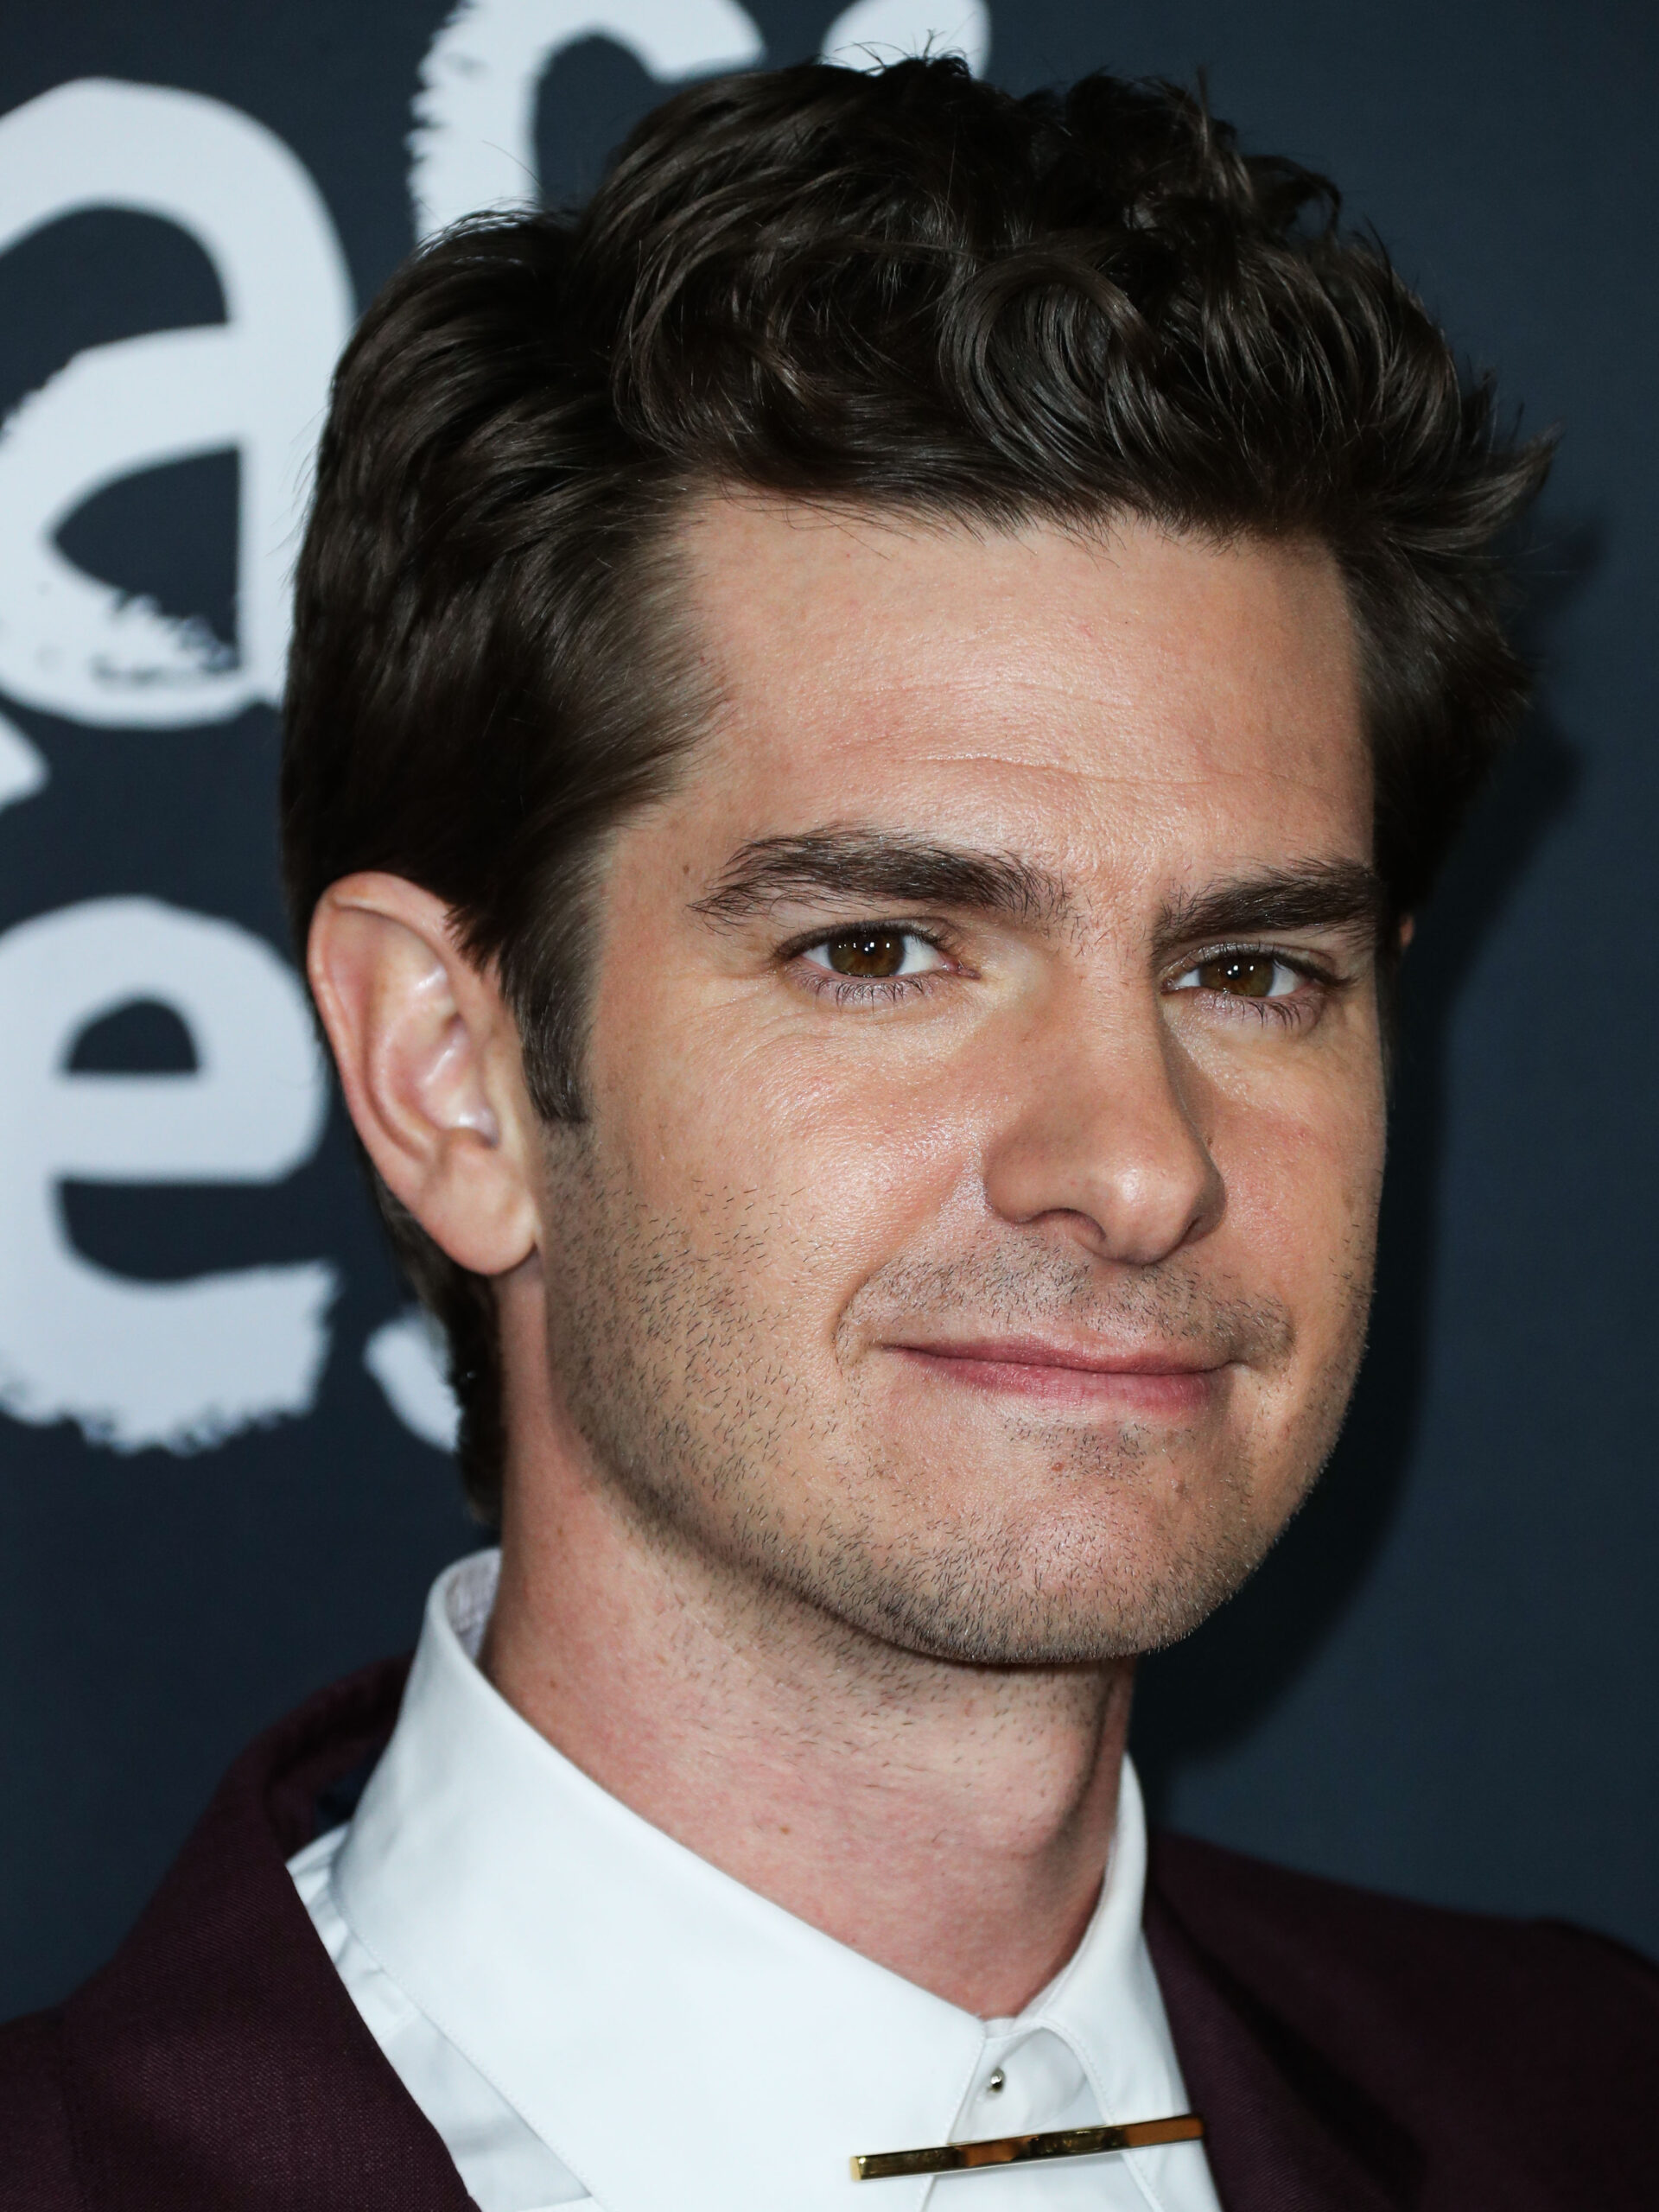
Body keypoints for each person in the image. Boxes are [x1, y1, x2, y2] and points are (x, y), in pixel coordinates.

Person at [3, 55, 1655, 2212]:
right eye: (881, 950)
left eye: (1252, 970)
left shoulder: (1593, 2106)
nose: (1139, 1166)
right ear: (449, 1070)